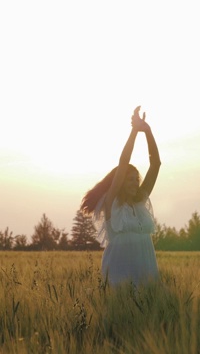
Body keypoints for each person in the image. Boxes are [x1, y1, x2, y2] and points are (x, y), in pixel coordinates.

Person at [80, 105, 161, 286]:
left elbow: (156, 164)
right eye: (129, 179)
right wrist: (134, 132)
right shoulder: (112, 203)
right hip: (119, 272)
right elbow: (123, 163)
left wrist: (147, 131)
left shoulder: (140, 204)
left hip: (146, 269)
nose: (135, 183)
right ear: (120, 182)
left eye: (136, 179)